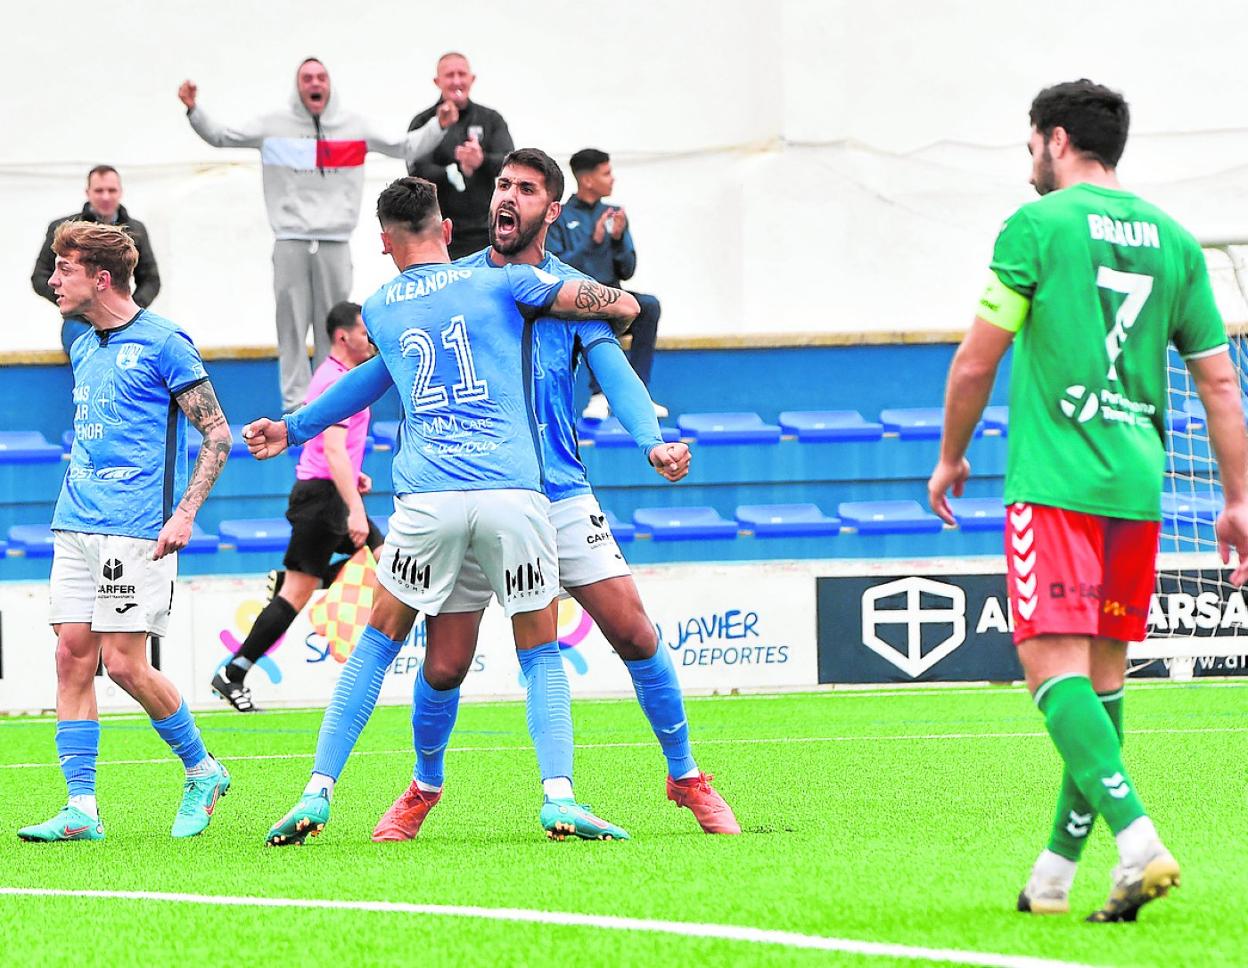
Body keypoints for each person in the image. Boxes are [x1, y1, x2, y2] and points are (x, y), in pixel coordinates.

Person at [271, 149, 738, 842]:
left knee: (635, 631)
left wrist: (651, 440)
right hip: (470, 487)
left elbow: (614, 369)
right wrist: (298, 425)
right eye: (500, 186)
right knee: (446, 662)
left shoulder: (569, 290)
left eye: (523, 189)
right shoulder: (451, 282)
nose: (505, 198)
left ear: (551, 209)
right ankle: (425, 786)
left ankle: (686, 775)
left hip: (557, 492)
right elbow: (384, 373)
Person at [928, 79, 1248, 923]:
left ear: (1056, 139)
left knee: (1048, 669)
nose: (1029, 158)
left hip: (1056, 483)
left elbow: (975, 360)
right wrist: (1238, 500)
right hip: (1138, 484)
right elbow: (1220, 380)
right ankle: (1055, 877)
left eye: (1031, 142)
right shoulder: (1177, 242)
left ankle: (1139, 840)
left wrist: (951, 457)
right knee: (1102, 681)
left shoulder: (1036, 227)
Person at [18, 222, 233, 843]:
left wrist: (185, 513)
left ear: (101, 278)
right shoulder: (81, 345)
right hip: (75, 521)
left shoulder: (167, 343)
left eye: (64, 270)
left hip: (135, 528)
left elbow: (216, 434)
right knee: (70, 656)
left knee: (124, 665)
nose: (53, 281)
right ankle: (81, 807)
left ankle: (203, 769)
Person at [178, 58, 452, 411]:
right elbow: (222, 137)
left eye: (321, 77)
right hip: (290, 237)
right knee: (290, 323)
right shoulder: (273, 125)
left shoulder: (353, 126)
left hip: (335, 240)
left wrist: (439, 126)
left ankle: (331, 401)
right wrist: (194, 110)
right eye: (307, 78)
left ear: (329, 84)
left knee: (334, 325)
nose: (314, 83)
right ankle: (295, 403)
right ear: (298, 86)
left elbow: (404, 146)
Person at [211, 301, 384, 713]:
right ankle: (234, 672)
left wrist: (354, 481)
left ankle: (235, 670)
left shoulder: (339, 376)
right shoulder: (337, 380)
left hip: (325, 493)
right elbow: (334, 449)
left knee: (385, 566)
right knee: (379, 568)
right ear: (343, 336)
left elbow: (333, 453)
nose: (370, 339)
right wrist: (354, 508)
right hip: (324, 500)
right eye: (364, 332)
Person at [547, 148, 665, 420]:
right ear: (587, 180)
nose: (613, 179)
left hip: (614, 296)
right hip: (576, 301)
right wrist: (594, 240)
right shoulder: (560, 216)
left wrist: (617, 239)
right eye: (606, 173)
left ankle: (638, 394)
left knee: (649, 306)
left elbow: (628, 269)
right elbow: (557, 268)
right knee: (592, 312)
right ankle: (599, 395)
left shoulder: (615, 214)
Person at [32, 165, 162, 355]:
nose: (106, 197)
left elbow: (151, 279)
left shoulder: (137, 230)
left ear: (121, 192)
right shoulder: (64, 230)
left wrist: (126, 309)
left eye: (111, 190)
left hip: (124, 320)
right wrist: (78, 302)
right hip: (80, 322)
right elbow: (40, 277)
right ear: (88, 192)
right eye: (99, 190)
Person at [407, 52, 514, 259]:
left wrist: (481, 160)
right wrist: (453, 170)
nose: (456, 80)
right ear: (437, 81)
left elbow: (510, 164)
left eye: (462, 74)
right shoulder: (423, 122)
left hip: (486, 232)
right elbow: (415, 170)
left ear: (472, 79)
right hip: (437, 234)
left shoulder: (491, 119)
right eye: (449, 75)